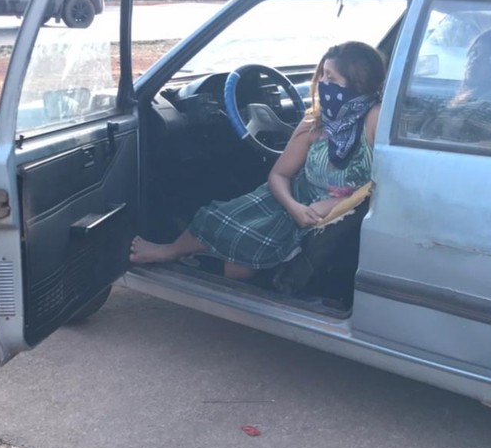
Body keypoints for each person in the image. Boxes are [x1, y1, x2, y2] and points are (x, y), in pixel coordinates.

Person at [129, 41, 387, 280]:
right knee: (214, 217)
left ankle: (191, 257)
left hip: (342, 211)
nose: (322, 83)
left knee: (242, 252)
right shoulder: (315, 121)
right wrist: (293, 207)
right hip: (294, 198)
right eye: (322, 74)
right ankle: (172, 251)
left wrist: (335, 202)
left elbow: (384, 180)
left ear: (357, 84)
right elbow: (279, 175)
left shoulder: (375, 118)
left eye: (331, 77)